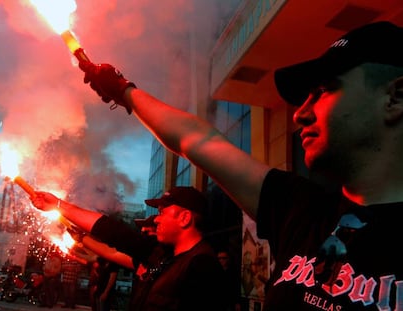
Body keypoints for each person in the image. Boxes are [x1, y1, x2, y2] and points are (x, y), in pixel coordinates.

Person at [77, 20, 403, 310]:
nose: (299, 114)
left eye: (323, 91)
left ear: (395, 98)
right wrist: (122, 89)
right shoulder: (302, 209)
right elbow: (196, 139)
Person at [30, 186, 227, 311]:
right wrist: (57, 205)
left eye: (162, 212)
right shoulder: (163, 256)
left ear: (184, 218)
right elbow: (113, 232)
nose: (156, 219)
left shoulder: (202, 267)